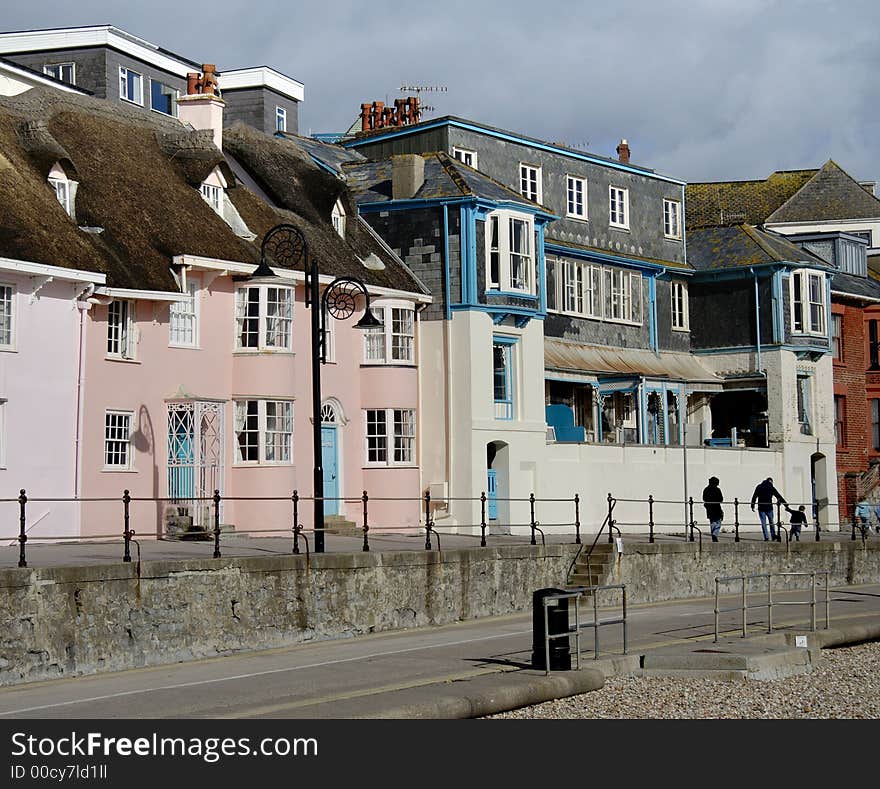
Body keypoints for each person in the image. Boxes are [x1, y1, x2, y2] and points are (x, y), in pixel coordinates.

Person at [751, 477, 786, 541]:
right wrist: (785, 504)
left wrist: (752, 505)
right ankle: (773, 536)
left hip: (761, 507)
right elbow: (778, 496)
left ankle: (766, 537)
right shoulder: (771, 487)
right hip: (769, 507)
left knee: (764, 523)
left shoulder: (759, 487)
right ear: (771, 481)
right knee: (771, 522)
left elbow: (754, 496)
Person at [702, 476, 724, 542]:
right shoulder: (717, 490)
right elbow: (721, 499)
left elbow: (704, 498)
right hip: (717, 508)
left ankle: (713, 535)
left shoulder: (706, 489)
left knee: (712, 522)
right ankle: (715, 534)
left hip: (709, 508)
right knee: (718, 522)